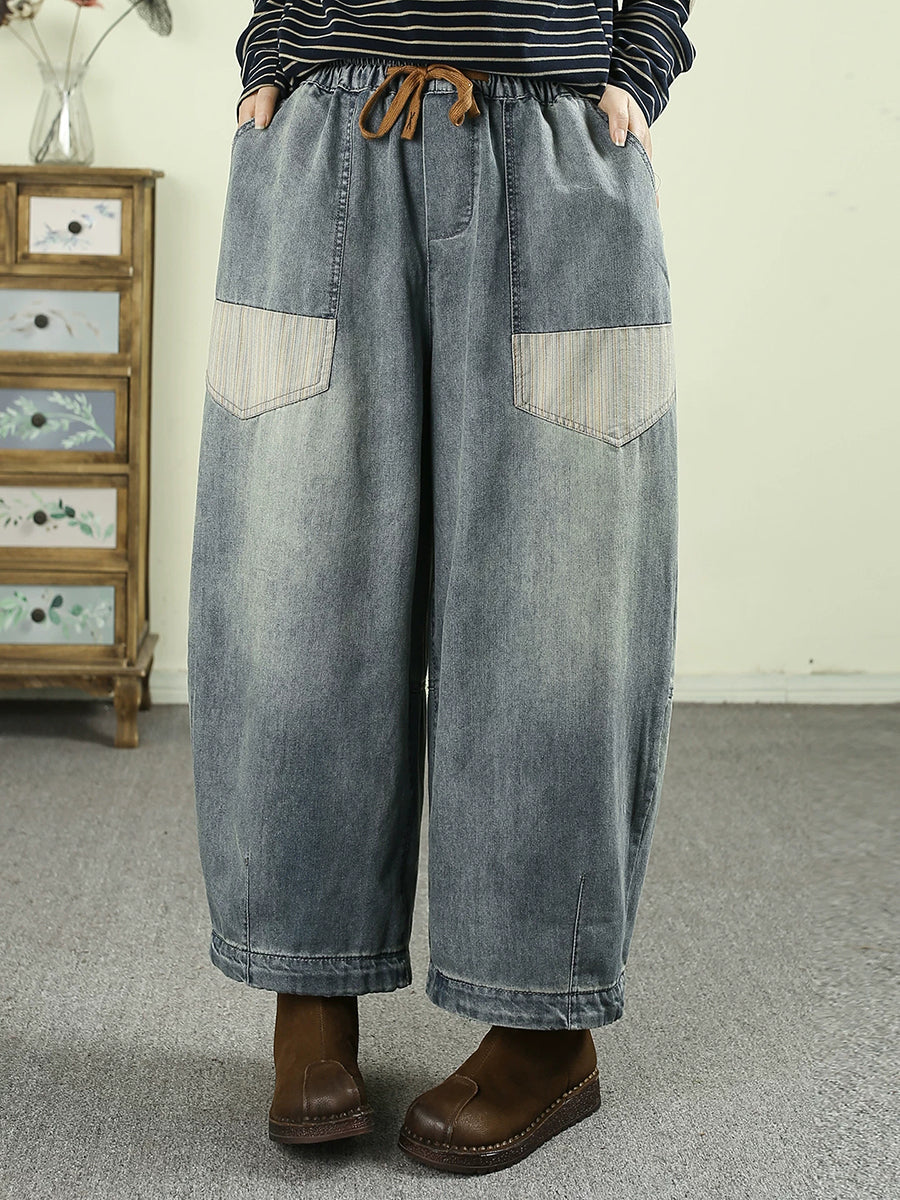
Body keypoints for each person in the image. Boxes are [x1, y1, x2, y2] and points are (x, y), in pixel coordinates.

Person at [188, 0, 697, 1176]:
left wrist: (638, 64)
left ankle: (543, 1025)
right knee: (295, 585)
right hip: (327, 129)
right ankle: (309, 992)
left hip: (555, 141)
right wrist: (271, 50)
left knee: (555, 604)